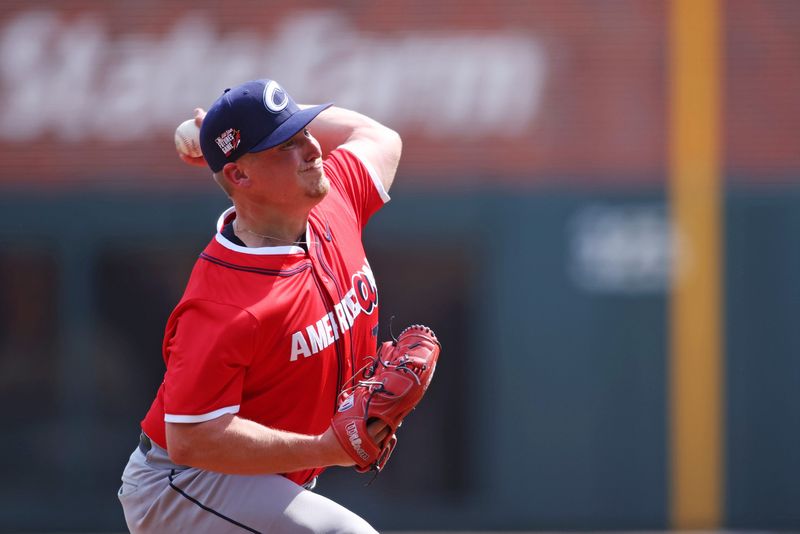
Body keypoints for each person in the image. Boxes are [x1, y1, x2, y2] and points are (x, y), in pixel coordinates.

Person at [118, 78, 401, 533]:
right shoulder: (222, 303)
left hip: (263, 482)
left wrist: (227, 124)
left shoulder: (335, 202)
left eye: (306, 130)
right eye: (285, 144)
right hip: (183, 484)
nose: (312, 149)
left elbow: (380, 137)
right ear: (239, 176)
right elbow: (191, 439)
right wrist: (326, 446)